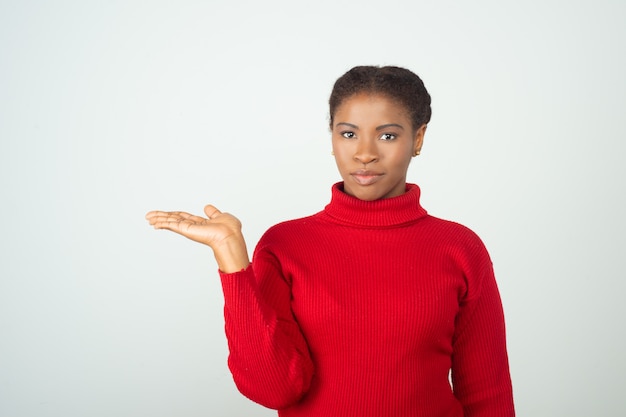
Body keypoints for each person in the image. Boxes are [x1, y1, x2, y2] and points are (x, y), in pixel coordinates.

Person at [146, 66, 515, 417]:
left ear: (417, 139)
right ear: (332, 138)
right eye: (349, 133)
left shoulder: (460, 248)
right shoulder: (285, 245)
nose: (365, 153)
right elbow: (274, 390)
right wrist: (231, 259)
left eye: (387, 135)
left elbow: (488, 394)